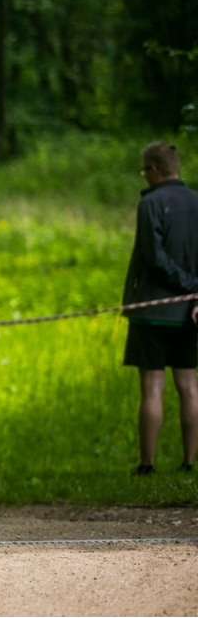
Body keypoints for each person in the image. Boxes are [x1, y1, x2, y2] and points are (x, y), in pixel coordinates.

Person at [121, 141, 198, 475]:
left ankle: (147, 465)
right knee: (189, 386)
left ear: (153, 170)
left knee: (152, 387)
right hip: (190, 312)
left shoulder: (150, 203)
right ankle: (189, 463)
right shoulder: (197, 202)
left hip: (152, 310)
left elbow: (154, 257)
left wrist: (186, 284)